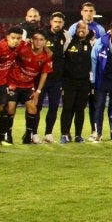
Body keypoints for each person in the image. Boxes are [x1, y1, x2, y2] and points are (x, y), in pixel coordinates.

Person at [6, 30, 54, 144]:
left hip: (28, 86)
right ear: (31, 40)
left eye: (41, 39)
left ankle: (28, 135)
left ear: (45, 42)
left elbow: (44, 74)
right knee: (10, 109)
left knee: (33, 108)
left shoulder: (46, 56)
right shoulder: (23, 47)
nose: (38, 41)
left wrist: (38, 91)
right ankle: (8, 135)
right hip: (14, 83)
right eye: (36, 39)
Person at [59, 21, 94, 143]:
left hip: (84, 82)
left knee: (80, 109)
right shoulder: (69, 42)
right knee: (67, 108)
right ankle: (64, 134)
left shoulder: (91, 43)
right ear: (75, 29)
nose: (82, 30)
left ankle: (78, 135)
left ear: (88, 31)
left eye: (84, 28)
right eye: (79, 27)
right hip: (69, 81)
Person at [38, 12, 69, 141]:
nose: (57, 24)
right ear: (51, 22)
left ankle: (48, 134)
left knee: (54, 107)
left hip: (57, 79)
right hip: (42, 78)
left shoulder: (65, 36)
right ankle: (33, 133)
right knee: (37, 107)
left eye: (60, 22)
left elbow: (65, 55)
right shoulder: (42, 34)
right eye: (55, 22)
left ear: (63, 24)